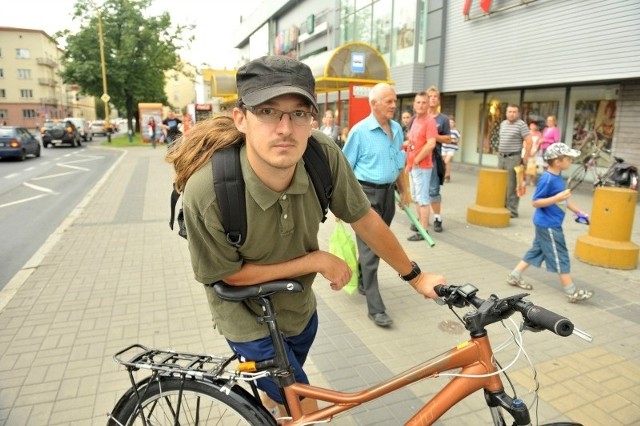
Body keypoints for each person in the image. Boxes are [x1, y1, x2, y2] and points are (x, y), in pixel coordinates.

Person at [165, 56, 445, 417]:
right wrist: (316, 260)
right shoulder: (209, 190)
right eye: (267, 111)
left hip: (299, 313)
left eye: (299, 113)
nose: (285, 128)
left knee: (281, 401)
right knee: (309, 410)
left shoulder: (321, 155)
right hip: (246, 318)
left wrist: (416, 276)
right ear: (241, 119)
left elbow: (367, 221)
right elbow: (225, 274)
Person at [343, 82, 415, 328]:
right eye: (389, 101)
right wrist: (343, 205)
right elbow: (344, 170)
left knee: (377, 245)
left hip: (388, 196)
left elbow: (399, 164)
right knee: (371, 250)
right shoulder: (360, 132)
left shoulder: (396, 129)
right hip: (364, 196)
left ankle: (364, 281)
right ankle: (376, 308)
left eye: (395, 101)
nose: (394, 105)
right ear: (373, 104)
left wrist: (404, 191)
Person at [506, 142, 594, 303]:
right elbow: (536, 202)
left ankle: (515, 276)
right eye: (568, 158)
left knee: (536, 250)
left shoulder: (557, 176)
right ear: (557, 161)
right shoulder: (547, 179)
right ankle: (571, 291)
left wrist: (579, 212)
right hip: (549, 225)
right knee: (561, 255)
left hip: (548, 224)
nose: (570, 161)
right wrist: (557, 198)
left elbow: (564, 199)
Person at [405, 91, 437, 241]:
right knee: (417, 198)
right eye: (418, 102)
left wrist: (416, 159)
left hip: (423, 166)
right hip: (414, 166)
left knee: (423, 199)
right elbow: (412, 143)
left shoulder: (429, 121)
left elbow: (431, 144)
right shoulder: (415, 120)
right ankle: (420, 224)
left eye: (424, 102)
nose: (421, 105)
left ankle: (423, 230)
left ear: (428, 104)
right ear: (414, 104)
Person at [497, 104, 533, 218]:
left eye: (514, 112)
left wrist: (525, 158)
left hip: (513, 158)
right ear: (506, 113)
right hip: (501, 157)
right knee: (501, 183)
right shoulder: (503, 124)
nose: (511, 114)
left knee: (512, 185)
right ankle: (502, 207)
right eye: (509, 111)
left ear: (518, 113)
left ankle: (512, 210)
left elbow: (529, 141)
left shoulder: (521, 125)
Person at [425, 86, 451, 232]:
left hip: (434, 159)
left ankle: (437, 218)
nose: (432, 99)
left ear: (438, 100)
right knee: (420, 191)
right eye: (430, 96)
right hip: (419, 160)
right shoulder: (419, 117)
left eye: (435, 96)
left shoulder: (443, 119)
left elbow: (448, 139)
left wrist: (433, 136)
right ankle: (422, 218)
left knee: (433, 190)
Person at [442, 115, 461, 183]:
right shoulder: (445, 130)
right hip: (444, 147)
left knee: (445, 162)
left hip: (451, 148)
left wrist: (452, 140)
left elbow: (458, 140)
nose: (450, 124)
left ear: (454, 123)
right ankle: (447, 176)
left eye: (452, 122)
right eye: (449, 122)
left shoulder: (456, 131)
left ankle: (442, 175)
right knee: (447, 163)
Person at [525, 121, 542, 186]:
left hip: (535, 151)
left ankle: (533, 181)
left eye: (534, 126)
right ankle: (527, 180)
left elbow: (538, 143)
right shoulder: (527, 133)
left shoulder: (539, 134)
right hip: (527, 150)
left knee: (533, 166)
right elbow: (525, 142)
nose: (532, 127)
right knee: (527, 166)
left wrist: (534, 151)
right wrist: (527, 151)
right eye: (531, 125)